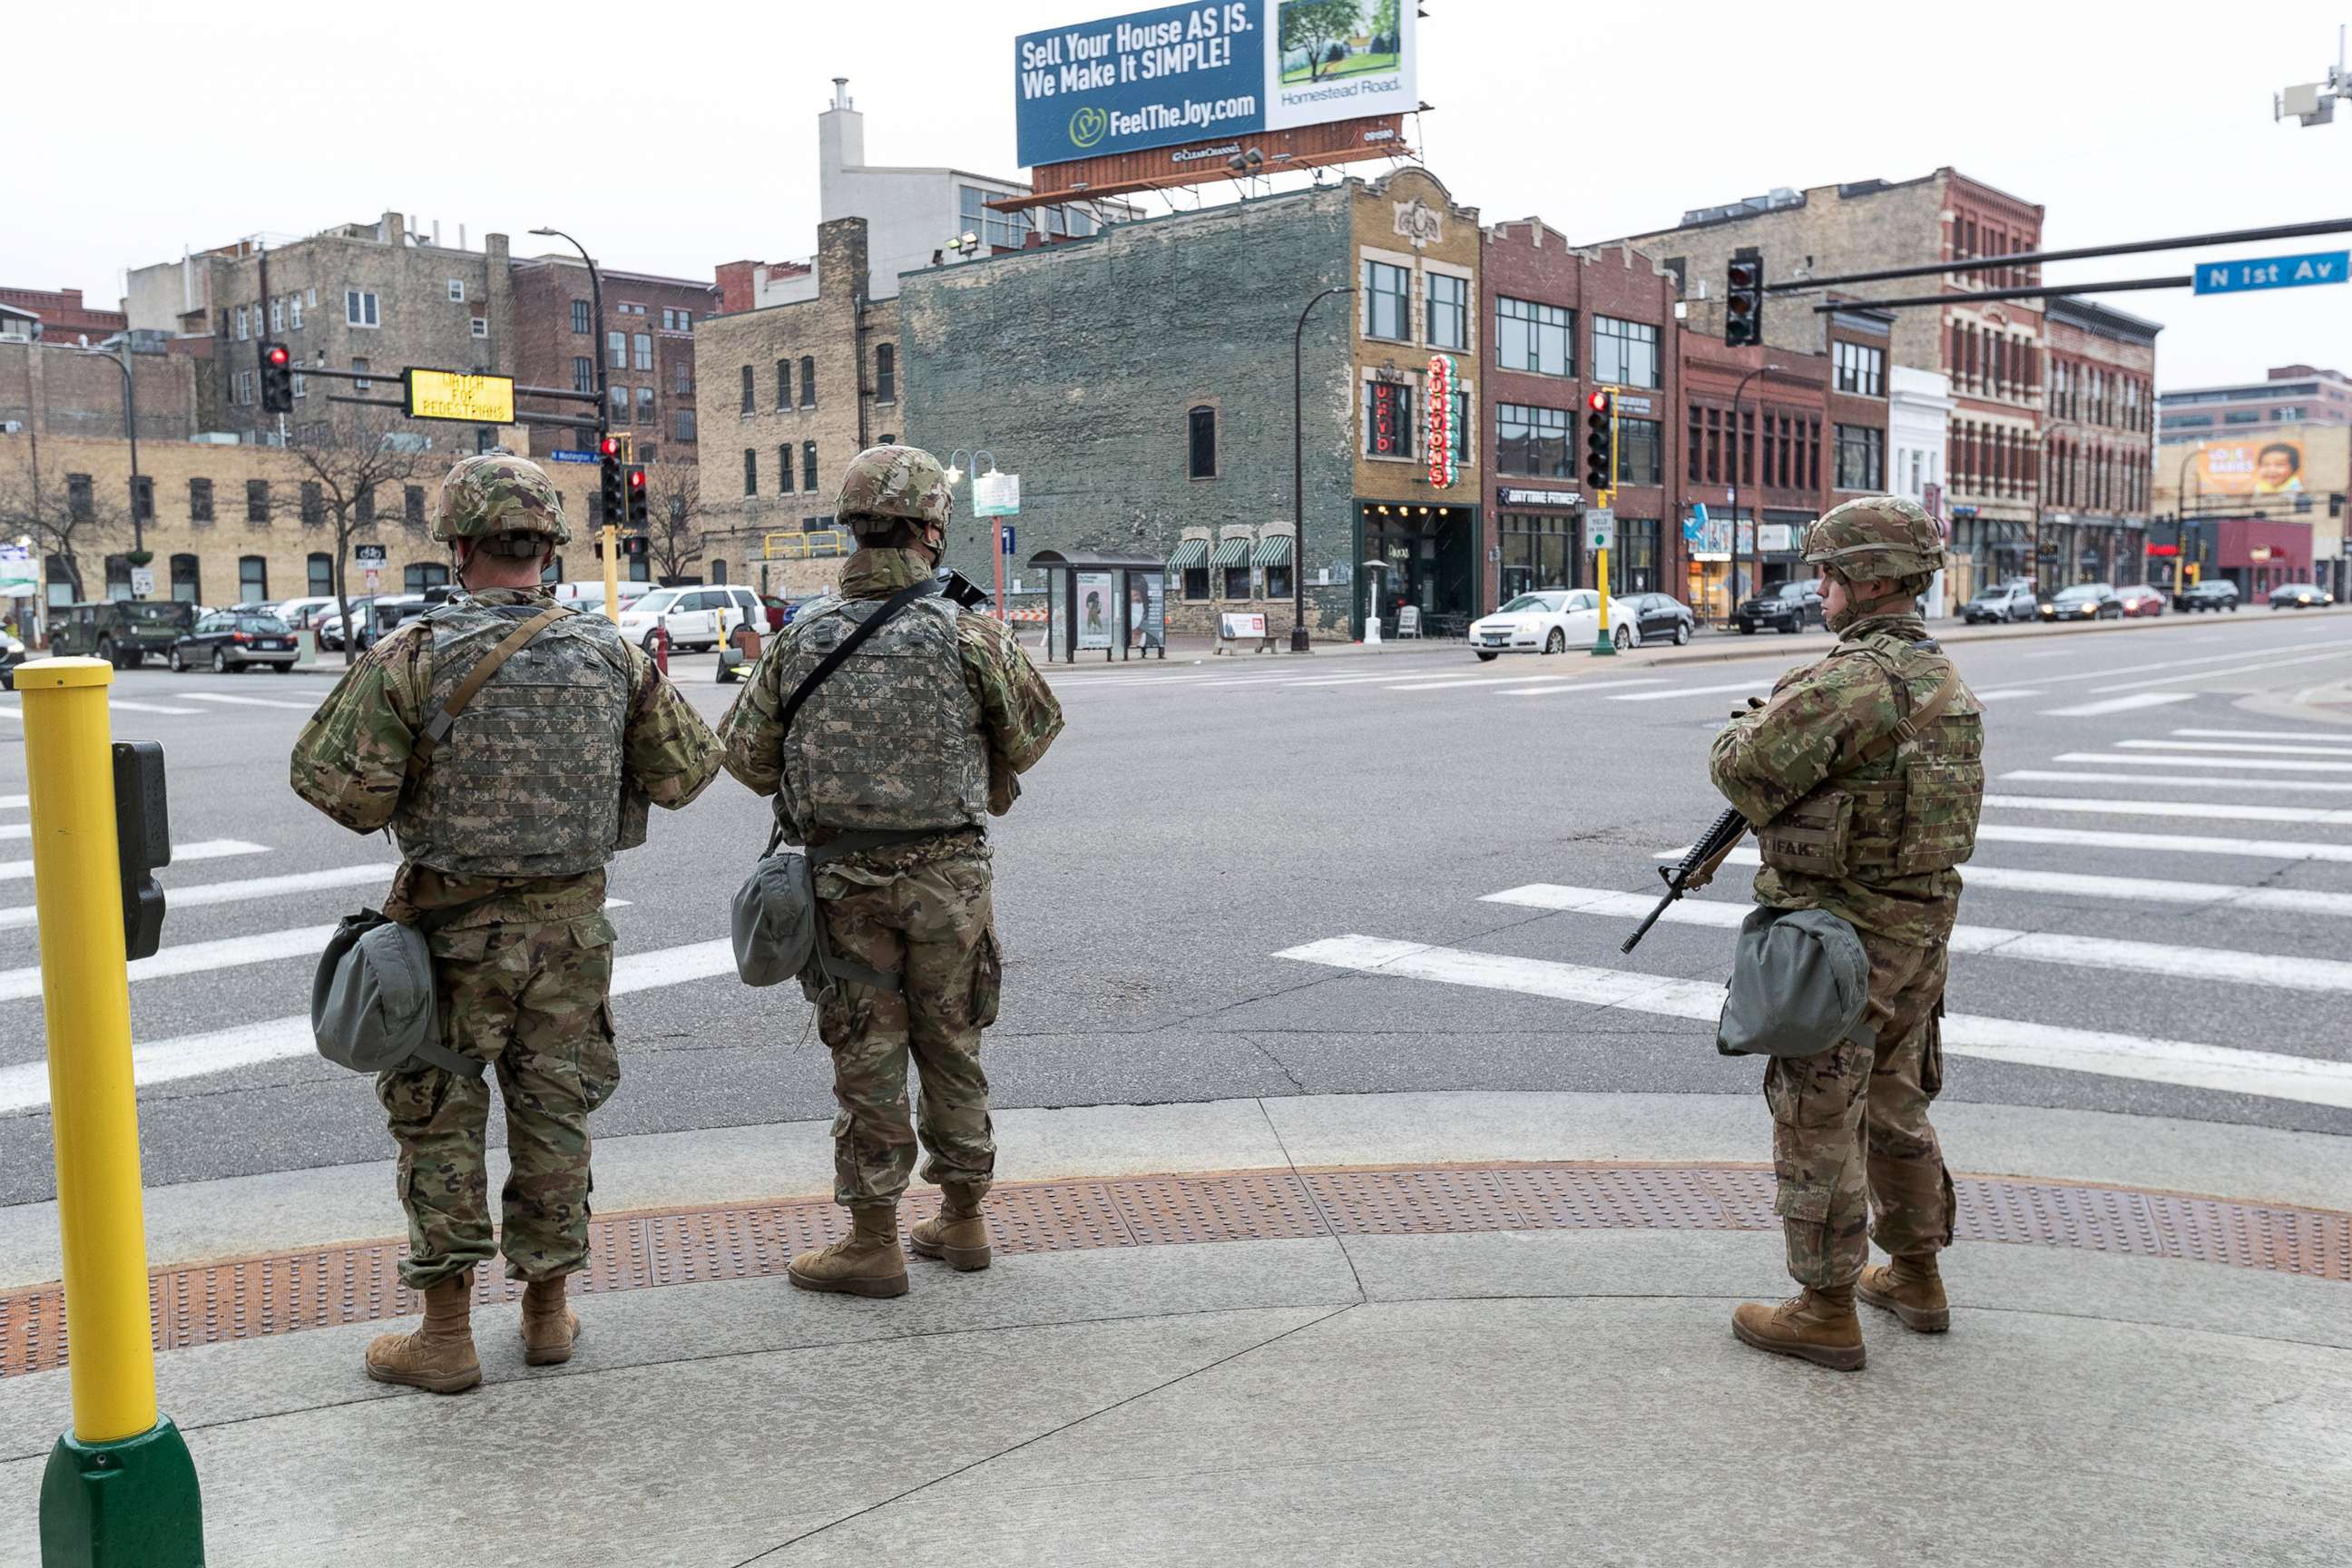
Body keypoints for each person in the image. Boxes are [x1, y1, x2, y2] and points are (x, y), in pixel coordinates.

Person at [290, 453, 722, 1394]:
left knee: (440, 1119)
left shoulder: (412, 654)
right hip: (570, 932)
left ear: (458, 545)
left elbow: (333, 785)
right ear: (547, 548)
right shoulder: (610, 651)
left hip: (447, 937)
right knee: (553, 1114)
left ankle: (445, 1338)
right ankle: (547, 1315)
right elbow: (687, 774)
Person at [719, 444, 1062, 1298]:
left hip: (841, 880)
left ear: (856, 527)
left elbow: (747, 757)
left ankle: (872, 1240)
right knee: (953, 1042)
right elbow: (1032, 734)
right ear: (929, 530)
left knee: (866, 1053)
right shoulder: (967, 631)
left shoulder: (800, 639)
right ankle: (965, 1218)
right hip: (950, 878)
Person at [1707, 495, 1984, 1371]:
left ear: (1867, 580)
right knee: (1898, 1100)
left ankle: (1824, 1306)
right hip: (1920, 927)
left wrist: (1747, 721)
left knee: (1817, 1106)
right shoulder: (1941, 678)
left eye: (1827, 571)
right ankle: (1915, 1274)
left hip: (1844, 934)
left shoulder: (1854, 679)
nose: (1818, 586)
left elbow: (1742, 767)